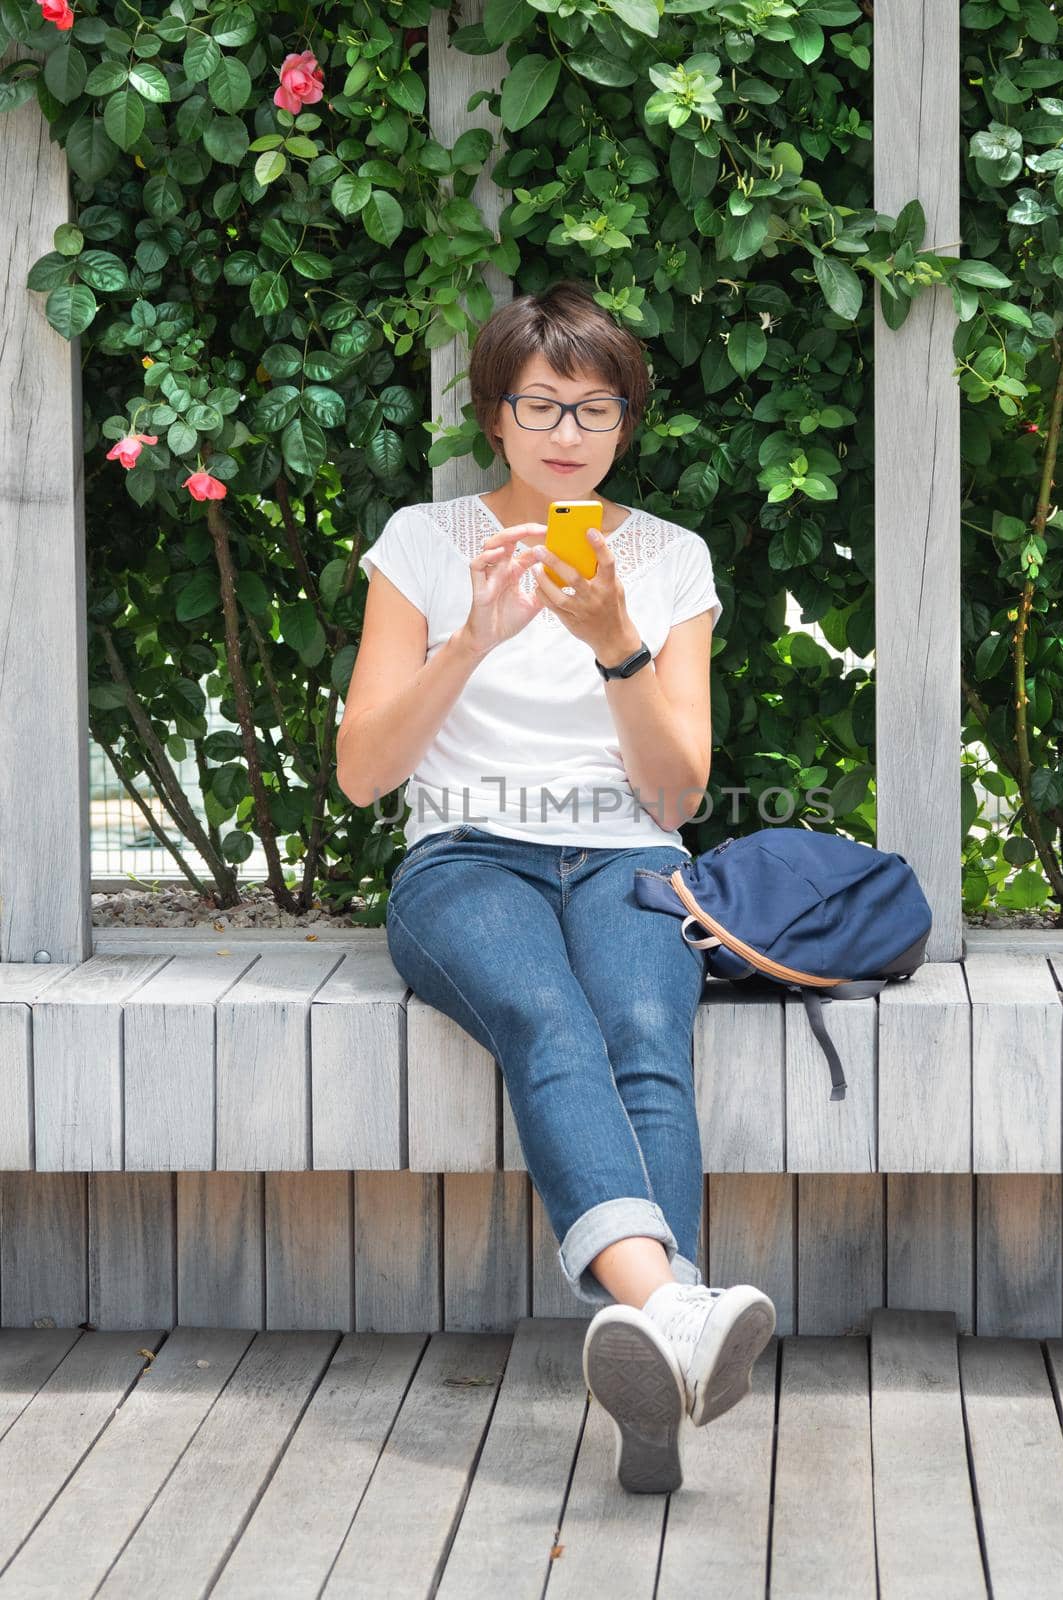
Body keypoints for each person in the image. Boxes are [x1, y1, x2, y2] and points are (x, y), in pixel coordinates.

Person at [337, 279, 775, 1494]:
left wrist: (614, 644)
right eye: (543, 405)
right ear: (496, 415)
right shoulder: (424, 544)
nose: (568, 434)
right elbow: (366, 772)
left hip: (629, 854)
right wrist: (473, 634)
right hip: (465, 860)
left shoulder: (665, 559)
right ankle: (678, 1306)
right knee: (547, 1015)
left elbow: (677, 797)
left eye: (596, 408)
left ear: (626, 420)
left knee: (646, 1028)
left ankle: (656, 1363)